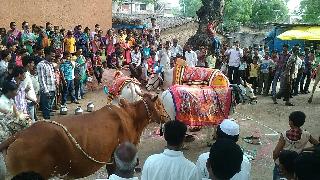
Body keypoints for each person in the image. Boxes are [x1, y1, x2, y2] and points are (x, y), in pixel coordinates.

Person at [272, 111, 319, 180]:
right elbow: (318, 145)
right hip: (296, 163)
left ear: (291, 122)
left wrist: (277, 163)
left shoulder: (284, 134)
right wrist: (305, 149)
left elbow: (275, 152)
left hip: (283, 163)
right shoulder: (307, 135)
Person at [37, 48, 56, 119]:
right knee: (46, 111)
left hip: (52, 89)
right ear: (47, 55)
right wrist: (46, 91)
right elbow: (41, 79)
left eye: (54, 56)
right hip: (46, 90)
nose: (53, 58)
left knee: (49, 108)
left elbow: (52, 77)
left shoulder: (50, 64)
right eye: (52, 56)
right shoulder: (41, 65)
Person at [22, 56, 38, 122]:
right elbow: (22, 91)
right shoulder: (25, 75)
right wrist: (32, 99)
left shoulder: (28, 74)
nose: (33, 65)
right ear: (28, 64)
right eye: (32, 63)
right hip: (29, 102)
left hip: (31, 102)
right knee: (31, 124)